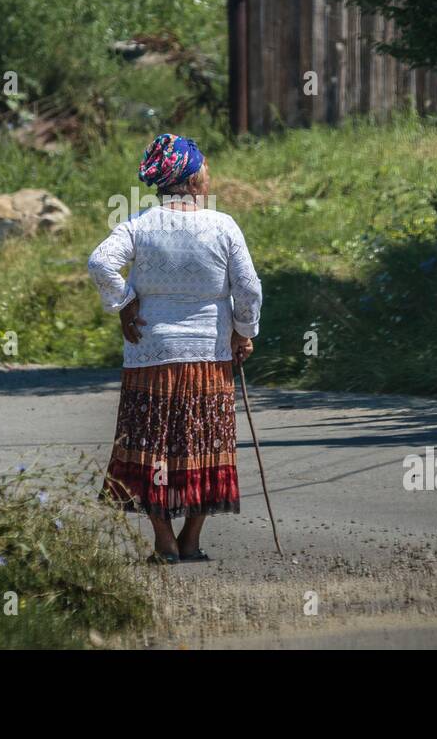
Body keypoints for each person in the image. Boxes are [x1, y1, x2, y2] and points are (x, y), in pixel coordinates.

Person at [88, 133, 263, 564]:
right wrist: (244, 330)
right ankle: (192, 540)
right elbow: (248, 287)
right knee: (204, 443)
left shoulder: (140, 224)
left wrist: (125, 302)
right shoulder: (222, 226)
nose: (209, 173)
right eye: (204, 166)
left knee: (152, 443)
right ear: (193, 178)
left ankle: (164, 542)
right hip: (209, 353)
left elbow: (100, 262)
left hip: (152, 355)